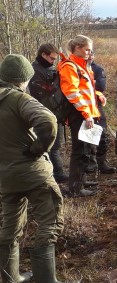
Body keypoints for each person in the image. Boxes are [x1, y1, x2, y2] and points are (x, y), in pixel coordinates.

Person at [0, 54, 80, 283]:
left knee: (10, 227)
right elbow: (47, 120)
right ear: (23, 78)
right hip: (33, 173)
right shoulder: (19, 98)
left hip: (6, 178)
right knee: (50, 222)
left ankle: (10, 279)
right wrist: (37, 149)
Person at [59, 35, 103, 197]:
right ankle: (75, 188)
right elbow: (71, 92)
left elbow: (86, 89)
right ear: (76, 48)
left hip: (86, 114)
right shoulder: (69, 67)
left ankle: (81, 180)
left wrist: (97, 94)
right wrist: (86, 114)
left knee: (86, 150)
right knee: (80, 151)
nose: (89, 53)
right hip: (79, 115)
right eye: (86, 49)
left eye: (90, 50)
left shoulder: (82, 66)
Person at [27, 43, 68, 183]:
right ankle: (55, 174)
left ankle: (55, 173)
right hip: (43, 113)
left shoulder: (51, 68)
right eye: (51, 58)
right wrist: (59, 81)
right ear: (43, 55)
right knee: (49, 146)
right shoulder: (34, 70)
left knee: (57, 145)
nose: (53, 61)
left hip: (57, 112)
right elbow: (43, 91)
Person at [87, 50, 116, 173]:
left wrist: (89, 82)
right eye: (88, 54)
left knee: (102, 134)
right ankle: (91, 163)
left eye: (92, 54)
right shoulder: (76, 67)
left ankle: (102, 163)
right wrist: (92, 82)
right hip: (83, 106)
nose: (90, 57)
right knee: (87, 135)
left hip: (97, 105)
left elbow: (101, 86)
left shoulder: (98, 69)